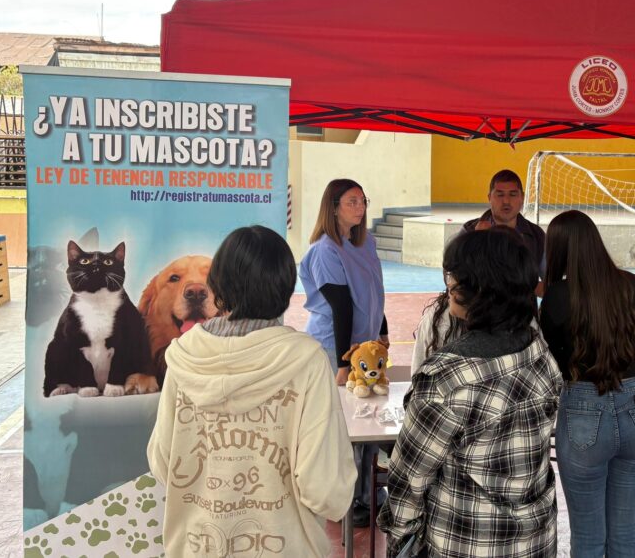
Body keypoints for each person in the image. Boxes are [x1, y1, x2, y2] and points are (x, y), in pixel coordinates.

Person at [147, 226, 357, 556]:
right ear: (287, 286)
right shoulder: (305, 361)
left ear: (216, 285)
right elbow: (325, 489)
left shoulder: (185, 355)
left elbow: (163, 463)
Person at [378, 228, 563, 557]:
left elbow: (408, 482)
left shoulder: (445, 379)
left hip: (466, 543)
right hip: (534, 540)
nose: (449, 284)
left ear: (482, 289)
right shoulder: (538, 350)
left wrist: (400, 541)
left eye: (455, 276)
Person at [539, 210, 635, 557]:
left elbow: (552, 362)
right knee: (624, 532)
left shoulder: (557, 296)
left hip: (584, 408)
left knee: (588, 535)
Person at [298, 178, 388, 527]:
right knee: (340, 425)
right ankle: (345, 498)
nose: (360, 206)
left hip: (364, 349)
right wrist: (340, 364)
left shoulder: (366, 243)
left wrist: (382, 333)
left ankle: (367, 493)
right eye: (351, 201)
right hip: (334, 346)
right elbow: (340, 308)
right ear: (333, 207)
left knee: (367, 420)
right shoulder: (325, 250)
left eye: (363, 200)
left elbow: (376, 292)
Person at [462, 169, 547, 278]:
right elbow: (453, 276)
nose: (506, 201)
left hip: (521, 295)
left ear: (522, 197)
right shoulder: (469, 231)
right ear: (489, 198)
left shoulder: (536, 235)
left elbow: (548, 281)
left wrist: (527, 287)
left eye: (512, 194)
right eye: (500, 195)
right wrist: (477, 241)